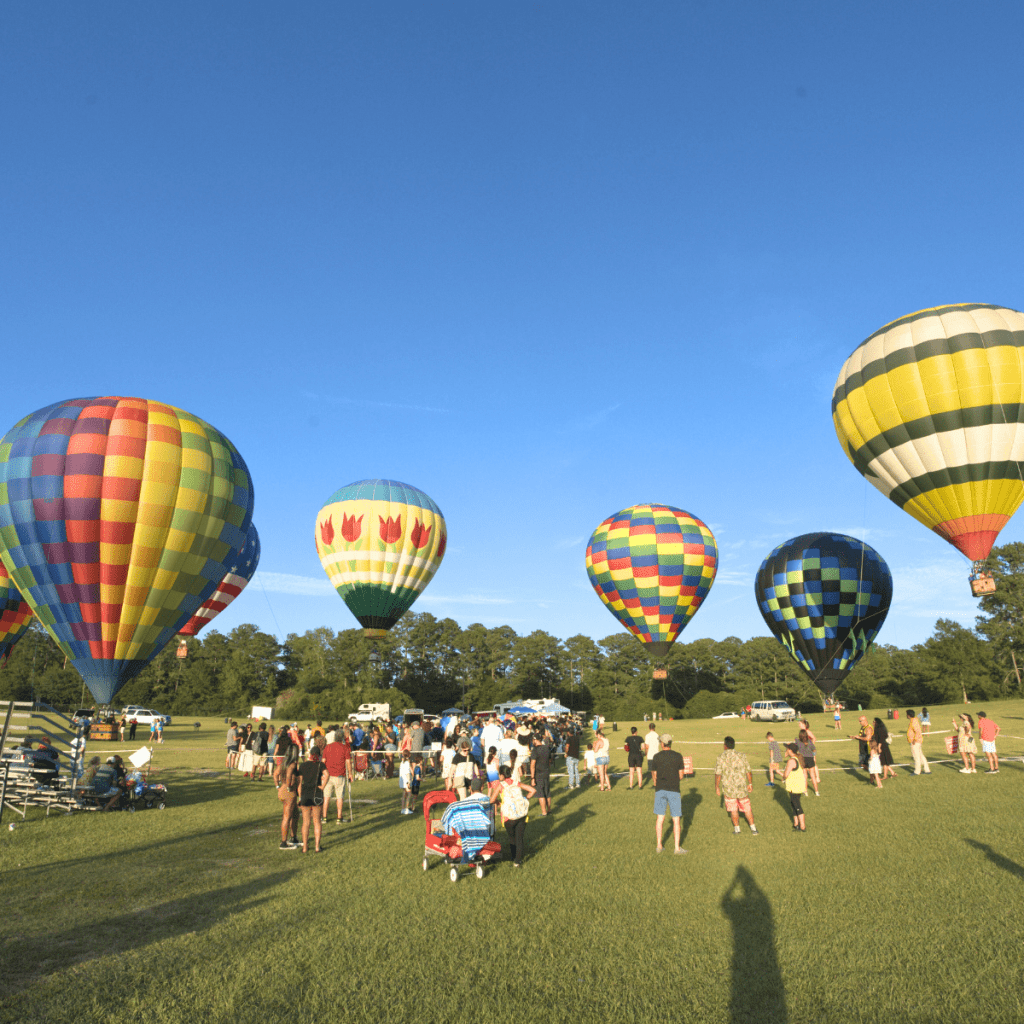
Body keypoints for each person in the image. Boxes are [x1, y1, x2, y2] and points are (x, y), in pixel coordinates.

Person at [491, 765, 535, 868]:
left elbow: (492, 800)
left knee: (512, 838)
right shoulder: (516, 783)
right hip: (521, 814)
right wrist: (525, 799)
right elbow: (533, 790)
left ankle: (513, 856)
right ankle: (517, 861)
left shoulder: (501, 785)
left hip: (509, 816)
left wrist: (499, 802)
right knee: (519, 838)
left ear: (502, 775)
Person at [441, 778, 493, 864]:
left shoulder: (464, 801)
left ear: (470, 788)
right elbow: (490, 821)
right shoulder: (488, 800)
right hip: (485, 833)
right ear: (482, 787)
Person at [651, 734, 686, 854]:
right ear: (670, 743)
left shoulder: (656, 757)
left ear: (662, 743)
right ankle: (677, 848)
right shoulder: (678, 756)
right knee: (676, 820)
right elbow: (681, 775)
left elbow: (654, 776)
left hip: (660, 790)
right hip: (674, 790)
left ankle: (659, 846)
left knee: (660, 818)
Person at [715, 736, 758, 835]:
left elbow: (718, 773)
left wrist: (716, 787)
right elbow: (748, 771)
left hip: (728, 789)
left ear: (725, 746)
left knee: (733, 809)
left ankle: (737, 829)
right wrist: (750, 783)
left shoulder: (721, 757)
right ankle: (753, 828)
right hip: (742, 787)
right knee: (747, 808)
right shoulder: (742, 755)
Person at [297, 746, 327, 853]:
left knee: (306, 822)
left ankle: (305, 847)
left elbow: (299, 783)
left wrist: (300, 797)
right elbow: (327, 774)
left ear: (309, 754)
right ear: (319, 755)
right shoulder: (320, 765)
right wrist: (323, 786)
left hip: (305, 795)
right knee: (317, 822)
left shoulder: (303, 765)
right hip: (317, 794)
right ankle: (317, 847)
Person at [323, 727, 352, 823]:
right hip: (340, 775)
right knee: (339, 797)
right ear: (342, 737)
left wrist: (322, 774)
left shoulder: (327, 747)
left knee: (326, 797)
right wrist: (350, 774)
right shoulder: (345, 748)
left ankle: (324, 817)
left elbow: (323, 761)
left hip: (328, 775)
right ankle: (339, 817)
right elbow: (348, 762)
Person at [275, 743, 300, 849]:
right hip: (289, 792)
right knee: (287, 816)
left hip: (282, 790)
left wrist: (277, 786)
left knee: (295, 814)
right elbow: (289, 773)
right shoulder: (293, 764)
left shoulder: (283, 763)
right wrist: (289, 785)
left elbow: (275, 774)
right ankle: (283, 842)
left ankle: (293, 837)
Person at [783, 744, 807, 829]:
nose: (786, 750)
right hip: (797, 786)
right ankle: (796, 824)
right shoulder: (798, 758)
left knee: (797, 806)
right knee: (793, 805)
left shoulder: (792, 761)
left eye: (787, 749)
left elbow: (786, 774)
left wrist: (781, 774)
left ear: (790, 750)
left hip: (795, 787)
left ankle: (802, 826)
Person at [530, 732, 553, 814]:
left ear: (535, 740)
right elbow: (550, 760)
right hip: (546, 772)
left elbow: (532, 765)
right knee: (547, 792)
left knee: (541, 793)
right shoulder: (546, 748)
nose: (532, 741)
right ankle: (549, 809)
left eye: (533, 740)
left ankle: (544, 812)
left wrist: (532, 778)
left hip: (538, 774)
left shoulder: (535, 750)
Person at [904, 709, 931, 775]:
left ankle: (917, 771)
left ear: (909, 715)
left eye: (907, 714)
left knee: (916, 756)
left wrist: (914, 740)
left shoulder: (913, 722)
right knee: (921, 756)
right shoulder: (913, 721)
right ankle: (927, 770)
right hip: (916, 741)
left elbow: (918, 731)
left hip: (915, 742)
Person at [795, 727, 820, 795]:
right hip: (810, 759)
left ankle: (805, 791)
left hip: (803, 759)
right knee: (812, 776)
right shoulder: (810, 742)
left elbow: (795, 747)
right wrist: (813, 756)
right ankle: (816, 792)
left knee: (804, 776)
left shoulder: (798, 742)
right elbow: (814, 750)